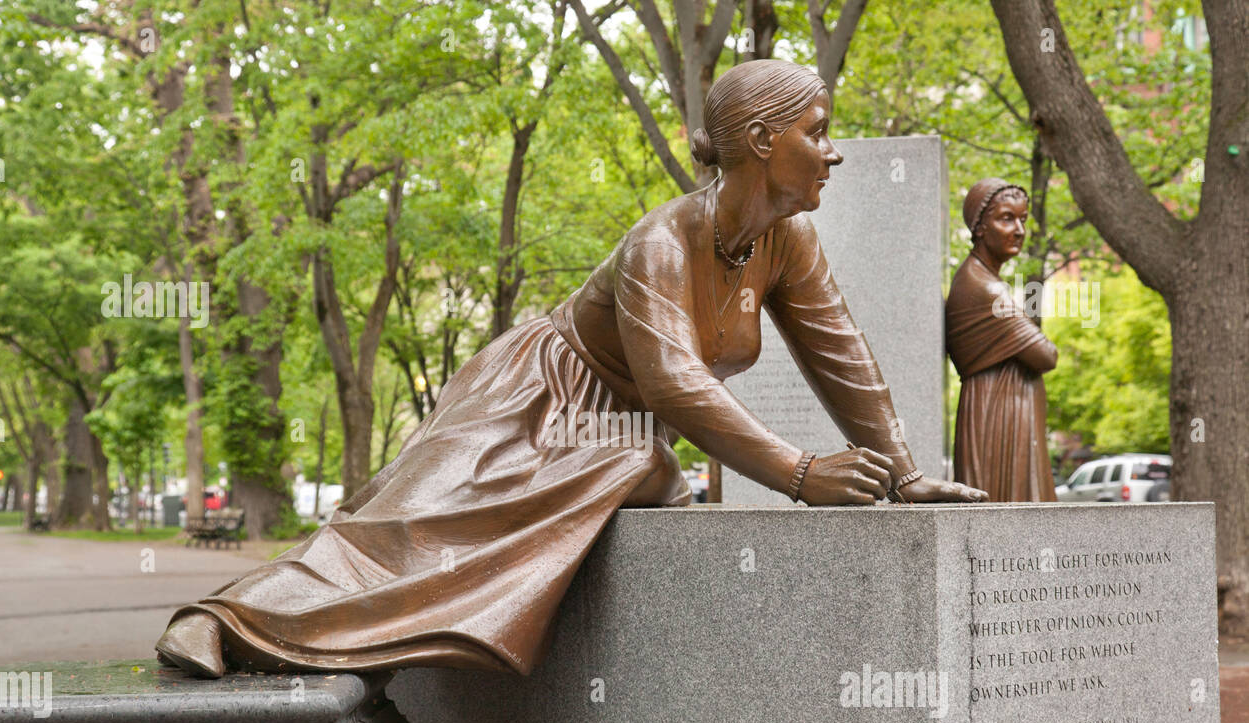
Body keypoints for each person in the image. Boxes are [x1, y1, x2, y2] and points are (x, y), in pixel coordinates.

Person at [156, 59, 987, 680]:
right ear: (764, 142)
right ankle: (225, 618)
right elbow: (675, 385)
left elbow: (841, 352)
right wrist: (801, 473)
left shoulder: (786, 243)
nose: (832, 153)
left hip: (617, 436)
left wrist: (906, 476)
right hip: (531, 395)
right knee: (405, 532)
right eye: (817, 130)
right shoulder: (662, 241)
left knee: (635, 463)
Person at [946, 178, 1059, 502]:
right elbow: (1047, 356)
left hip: (1001, 408)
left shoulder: (982, 278)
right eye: (1006, 218)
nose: (1019, 229)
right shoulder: (986, 288)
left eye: (1022, 219)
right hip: (997, 413)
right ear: (980, 227)